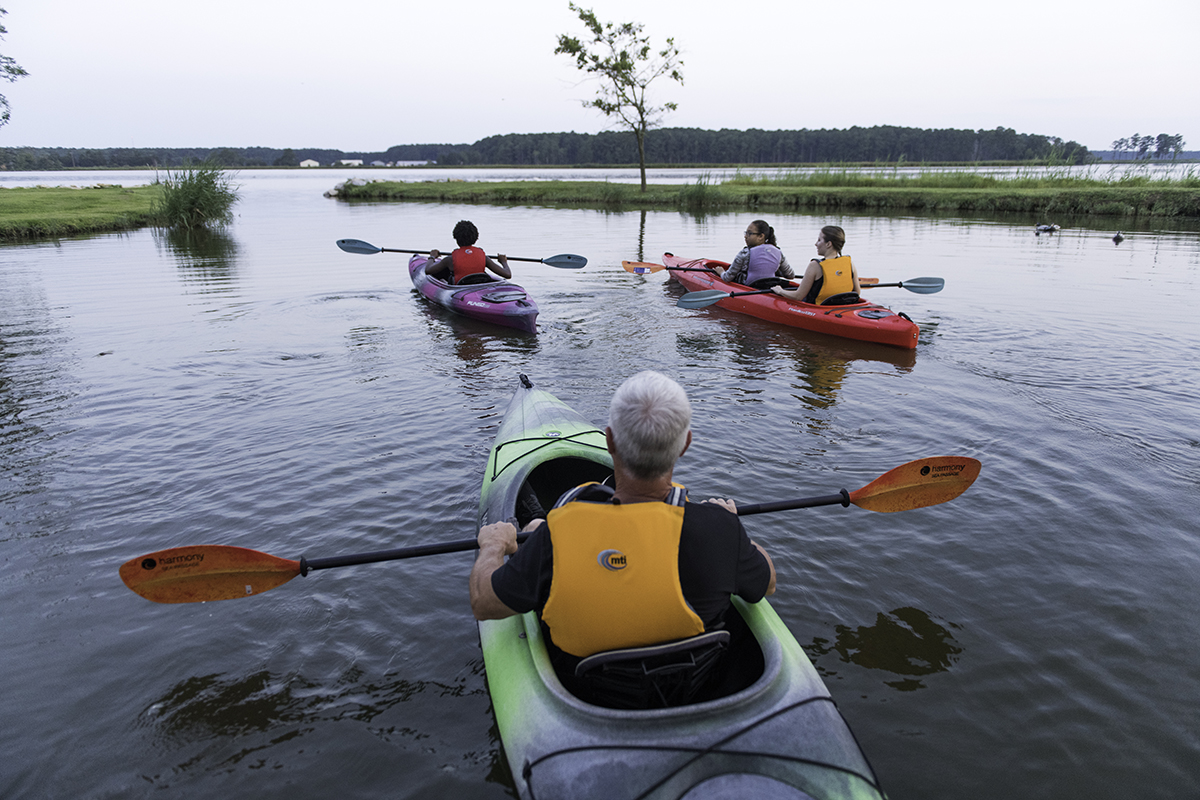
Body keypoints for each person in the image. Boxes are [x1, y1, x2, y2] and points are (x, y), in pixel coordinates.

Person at [469, 371, 776, 689]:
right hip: (690, 688)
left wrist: (494, 544)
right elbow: (767, 583)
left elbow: (484, 603)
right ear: (685, 444)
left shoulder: (555, 539)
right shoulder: (718, 530)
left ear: (610, 439)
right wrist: (731, 525)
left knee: (538, 525)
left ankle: (534, 520)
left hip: (591, 699)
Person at [771, 225, 861, 305]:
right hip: (842, 308)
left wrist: (780, 291)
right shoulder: (849, 263)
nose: (816, 244)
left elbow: (798, 296)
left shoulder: (815, 265)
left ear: (829, 244)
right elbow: (857, 293)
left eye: (819, 240)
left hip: (820, 309)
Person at [425, 220, 512, 284]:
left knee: (443, 276)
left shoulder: (449, 260)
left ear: (456, 239)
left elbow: (428, 270)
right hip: (478, 287)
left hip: (460, 289)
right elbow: (507, 274)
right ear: (476, 238)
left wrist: (432, 257)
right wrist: (503, 261)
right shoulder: (484, 257)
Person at [719, 219, 795, 288]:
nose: (745, 236)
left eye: (749, 233)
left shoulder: (745, 253)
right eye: (746, 233)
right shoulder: (778, 252)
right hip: (770, 287)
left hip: (749, 288)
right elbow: (790, 275)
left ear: (761, 236)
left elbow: (727, 278)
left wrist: (721, 272)